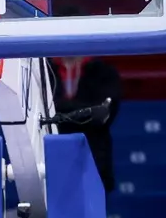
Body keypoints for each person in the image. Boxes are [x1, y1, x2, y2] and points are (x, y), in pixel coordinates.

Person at [50, 57, 122, 191]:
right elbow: (43, 113)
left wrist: (59, 112)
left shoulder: (103, 71)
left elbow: (102, 114)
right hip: (52, 158)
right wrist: (86, 111)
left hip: (95, 159)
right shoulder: (45, 70)